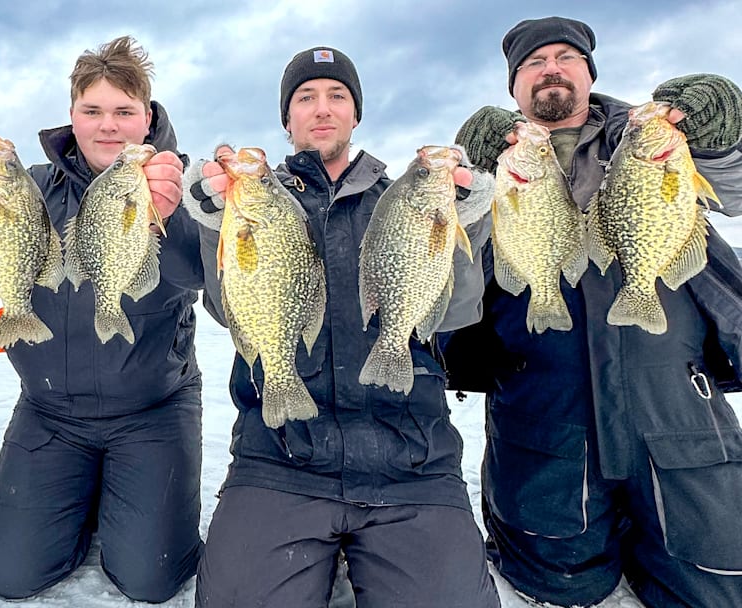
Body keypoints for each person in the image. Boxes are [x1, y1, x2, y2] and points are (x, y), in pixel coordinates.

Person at [181, 46, 500, 607]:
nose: (321, 108)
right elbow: (230, 307)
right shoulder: (256, 202)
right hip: (281, 458)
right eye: (305, 98)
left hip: (411, 459)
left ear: (356, 114)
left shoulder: (400, 197)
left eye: (337, 96)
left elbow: (455, 311)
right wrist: (214, 223)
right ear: (287, 120)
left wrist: (465, 219)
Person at [442, 16, 742, 608]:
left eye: (565, 58)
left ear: (588, 72)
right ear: (514, 87)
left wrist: (724, 126)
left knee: (718, 576)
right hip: (541, 416)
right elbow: (447, 259)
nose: (550, 69)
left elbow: (731, 185)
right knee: (550, 583)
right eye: (534, 63)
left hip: (677, 407)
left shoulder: (655, 138)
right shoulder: (494, 160)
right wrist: (473, 183)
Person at [0, 36, 204, 602]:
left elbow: (203, 271)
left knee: (150, 578)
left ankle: (120, 497)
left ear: (148, 117)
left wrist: (172, 219)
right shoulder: (28, 188)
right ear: (71, 116)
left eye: (123, 112)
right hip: (51, 412)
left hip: (152, 412)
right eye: (93, 111)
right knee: (12, 576)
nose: (108, 126)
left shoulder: (180, 188)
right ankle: (84, 495)